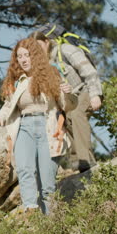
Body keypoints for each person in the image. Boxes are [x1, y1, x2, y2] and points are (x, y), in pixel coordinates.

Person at [0, 37, 77, 215]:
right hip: (24, 126)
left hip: (48, 127)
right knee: (24, 169)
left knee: (47, 183)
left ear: (36, 56)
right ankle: (30, 210)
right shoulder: (17, 81)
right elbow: (8, 105)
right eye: (19, 56)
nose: (23, 60)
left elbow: (67, 105)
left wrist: (69, 94)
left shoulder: (51, 75)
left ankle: (51, 223)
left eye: (27, 55)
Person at [31, 24, 103, 172]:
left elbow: (89, 71)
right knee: (62, 119)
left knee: (76, 114)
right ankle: (78, 161)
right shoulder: (46, 64)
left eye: (39, 46)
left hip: (85, 90)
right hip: (69, 98)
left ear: (46, 41)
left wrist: (95, 94)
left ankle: (86, 160)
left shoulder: (65, 50)